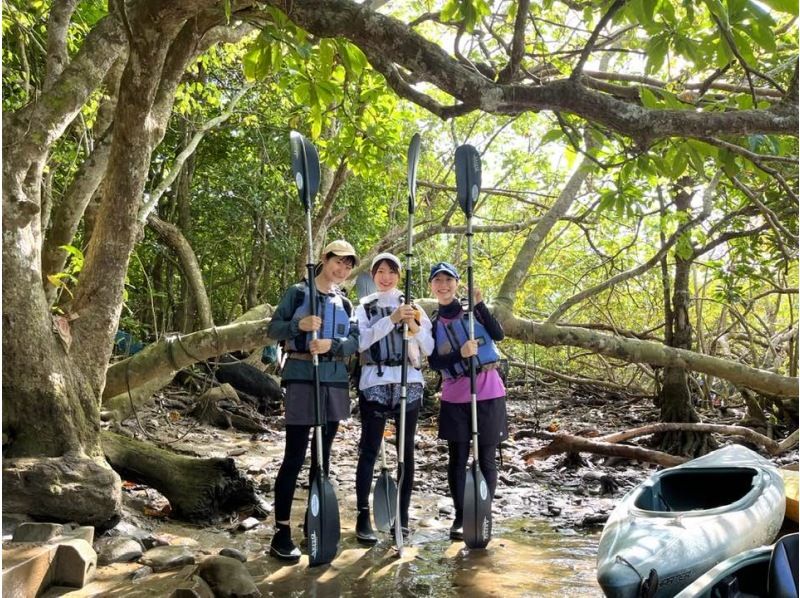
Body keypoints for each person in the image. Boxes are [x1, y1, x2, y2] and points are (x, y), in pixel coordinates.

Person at [266, 239, 360, 561]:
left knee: (324, 457)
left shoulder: (344, 304)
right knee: (294, 455)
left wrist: (333, 345)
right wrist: (299, 324)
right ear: (325, 259)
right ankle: (281, 532)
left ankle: (314, 522)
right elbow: (273, 329)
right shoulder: (297, 292)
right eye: (339, 262)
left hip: (333, 380)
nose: (343, 269)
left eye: (348, 265)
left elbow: (354, 341)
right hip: (302, 375)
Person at [354, 253, 434, 544]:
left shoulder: (414, 306)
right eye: (380, 271)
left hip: (408, 383)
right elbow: (360, 341)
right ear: (373, 275)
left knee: (406, 452)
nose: (386, 277)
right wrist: (391, 319)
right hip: (374, 383)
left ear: (399, 276)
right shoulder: (363, 307)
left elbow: (428, 347)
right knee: (369, 449)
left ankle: (402, 516)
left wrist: (412, 324)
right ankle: (363, 515)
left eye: (391, 272)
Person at [427, 261, 507, 541]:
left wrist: (481, 304)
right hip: (455, 394)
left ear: (457, 283)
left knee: (486, 456)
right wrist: (460, 353)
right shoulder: (434, 322)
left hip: (489, 390)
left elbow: (498, 334)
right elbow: (435, 361)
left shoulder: (475, 313)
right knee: (458, 458)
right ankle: (461, 516)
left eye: (448, 280)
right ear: (431, 286)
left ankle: (484, 511)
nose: (443, 285)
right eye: (438, 281)